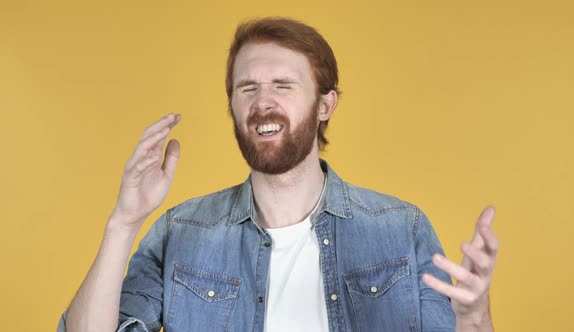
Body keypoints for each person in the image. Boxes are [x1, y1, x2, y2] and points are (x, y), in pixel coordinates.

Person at [58, 17, 499, 332]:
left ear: (325, 105)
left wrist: (476, 316)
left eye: (283, 86)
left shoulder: (403, 228)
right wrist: (124, 222)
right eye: (247, 88)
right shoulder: (181, 232)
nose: (262, 102)